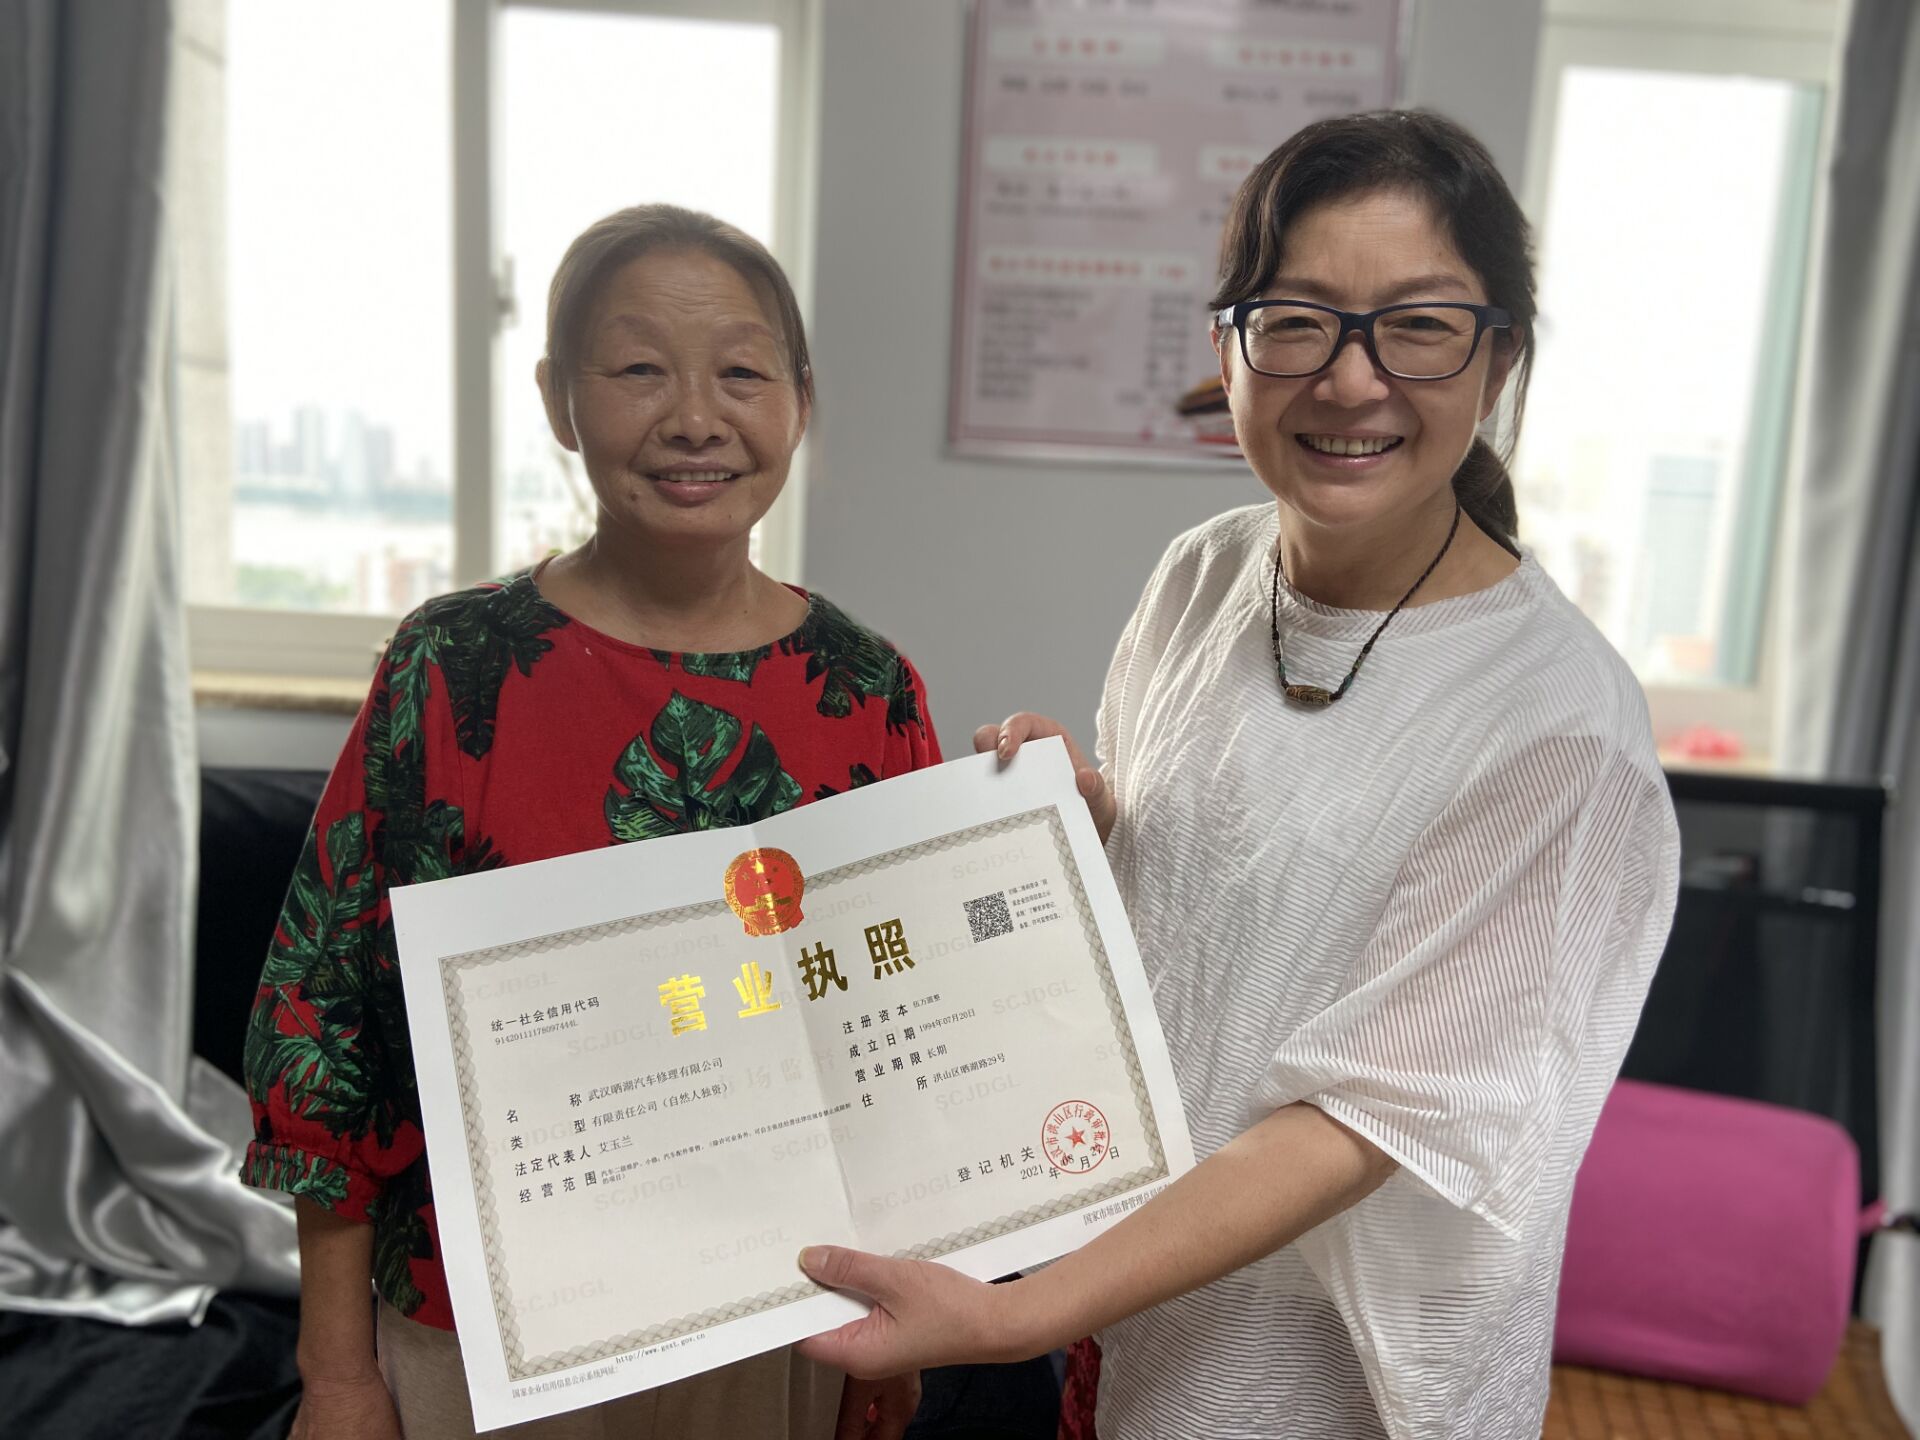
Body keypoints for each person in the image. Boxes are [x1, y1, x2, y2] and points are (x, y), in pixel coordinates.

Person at [793, 111, 1681, 1439]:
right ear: (1229, 346)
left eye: (1419, 326)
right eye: (1299, 322)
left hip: (1313, 1388)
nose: (1352, 380)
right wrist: (1084, 831)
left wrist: (1013, 1316)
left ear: (1499, 359)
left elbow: (1357, 1123)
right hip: (1119, 1314)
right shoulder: (1204, 574)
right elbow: (1215, 912)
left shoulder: (1560, 726)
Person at [242, 204, 933, 1440]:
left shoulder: (866, 690)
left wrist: (899, 1324)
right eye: (638, 370)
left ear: (801, 402)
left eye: (742, 373)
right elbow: (326, 1018)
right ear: (559, 400)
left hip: (779, 1310)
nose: (695, 418)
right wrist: (336, 1371)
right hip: (479, 1321)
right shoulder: (454, 667)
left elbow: (907, 1028)